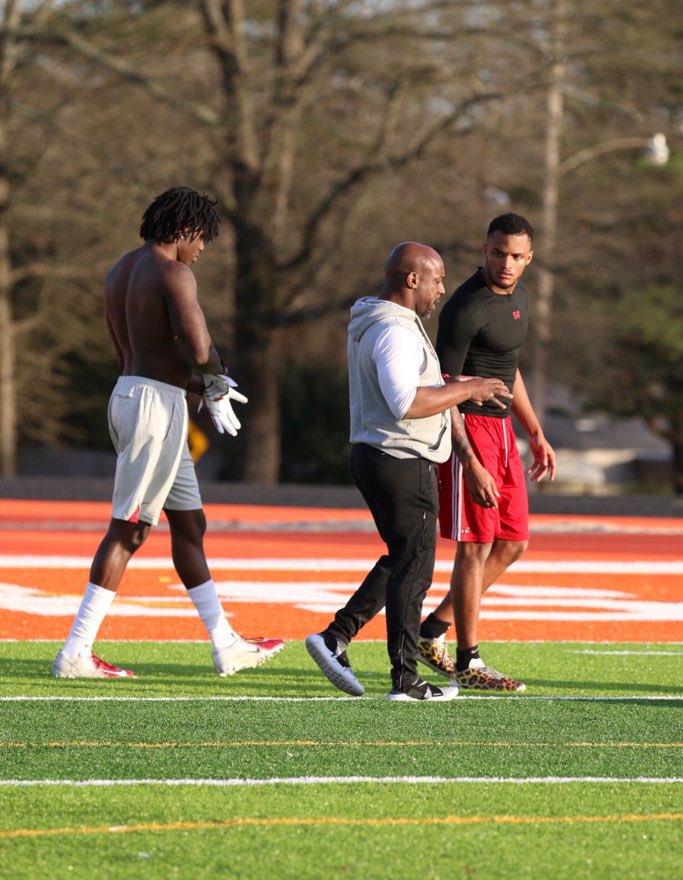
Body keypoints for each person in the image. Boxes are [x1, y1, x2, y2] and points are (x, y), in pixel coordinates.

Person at [52, 187, 284, 679]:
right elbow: (198, 344)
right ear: (183, 229)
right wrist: (217, 379)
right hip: (155, 410)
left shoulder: (119, 271)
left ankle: (225, 643)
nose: (201, 251)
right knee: (131, 527)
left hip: (138, 395)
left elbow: (140, 355)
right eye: (201, 239)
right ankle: (76, 650)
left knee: (189, 524)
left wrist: (199, 387)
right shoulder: (175, 273)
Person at [305, 242, 511, 701]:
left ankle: (336, 637)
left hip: (379, 455)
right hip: (400, 458)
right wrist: (468, 388)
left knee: (403, 558)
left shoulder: (383, 322)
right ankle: (406, 679)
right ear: (411, 279)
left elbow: (409, 389)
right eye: (436, 279)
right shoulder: (394, 331)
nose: (442, 288)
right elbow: (406, 404)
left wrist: (450, 386)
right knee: (414, 569)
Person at [417, 213, 556, 693]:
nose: (507, 263)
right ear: (485, 250)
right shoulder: (464, 309)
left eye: (517, 256)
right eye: (499, 253)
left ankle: (431, 630)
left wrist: (535, 432)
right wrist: (470, 460)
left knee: (513, 542)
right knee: (474, 548)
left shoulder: (517, 300)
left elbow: (509, 370)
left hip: (503, 435)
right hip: (469, 431)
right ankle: (468, 661)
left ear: (529, 258)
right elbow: (444, 388)